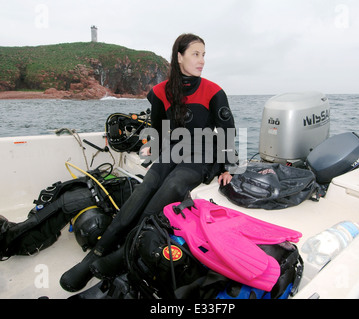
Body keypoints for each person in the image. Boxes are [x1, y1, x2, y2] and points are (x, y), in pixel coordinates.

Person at [60, 33, 237, 292]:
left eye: (203, 55)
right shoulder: (159, 92)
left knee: (172, 186)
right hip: (175, 150)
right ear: (179, 56)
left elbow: (227, 130)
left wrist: (228, 167)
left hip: (201, 153)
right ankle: (96, 255)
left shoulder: (213, 91)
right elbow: (157, 128)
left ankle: (123, 253)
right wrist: (153, 148)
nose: (201, 61)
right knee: (147, 185)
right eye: (195, 54)